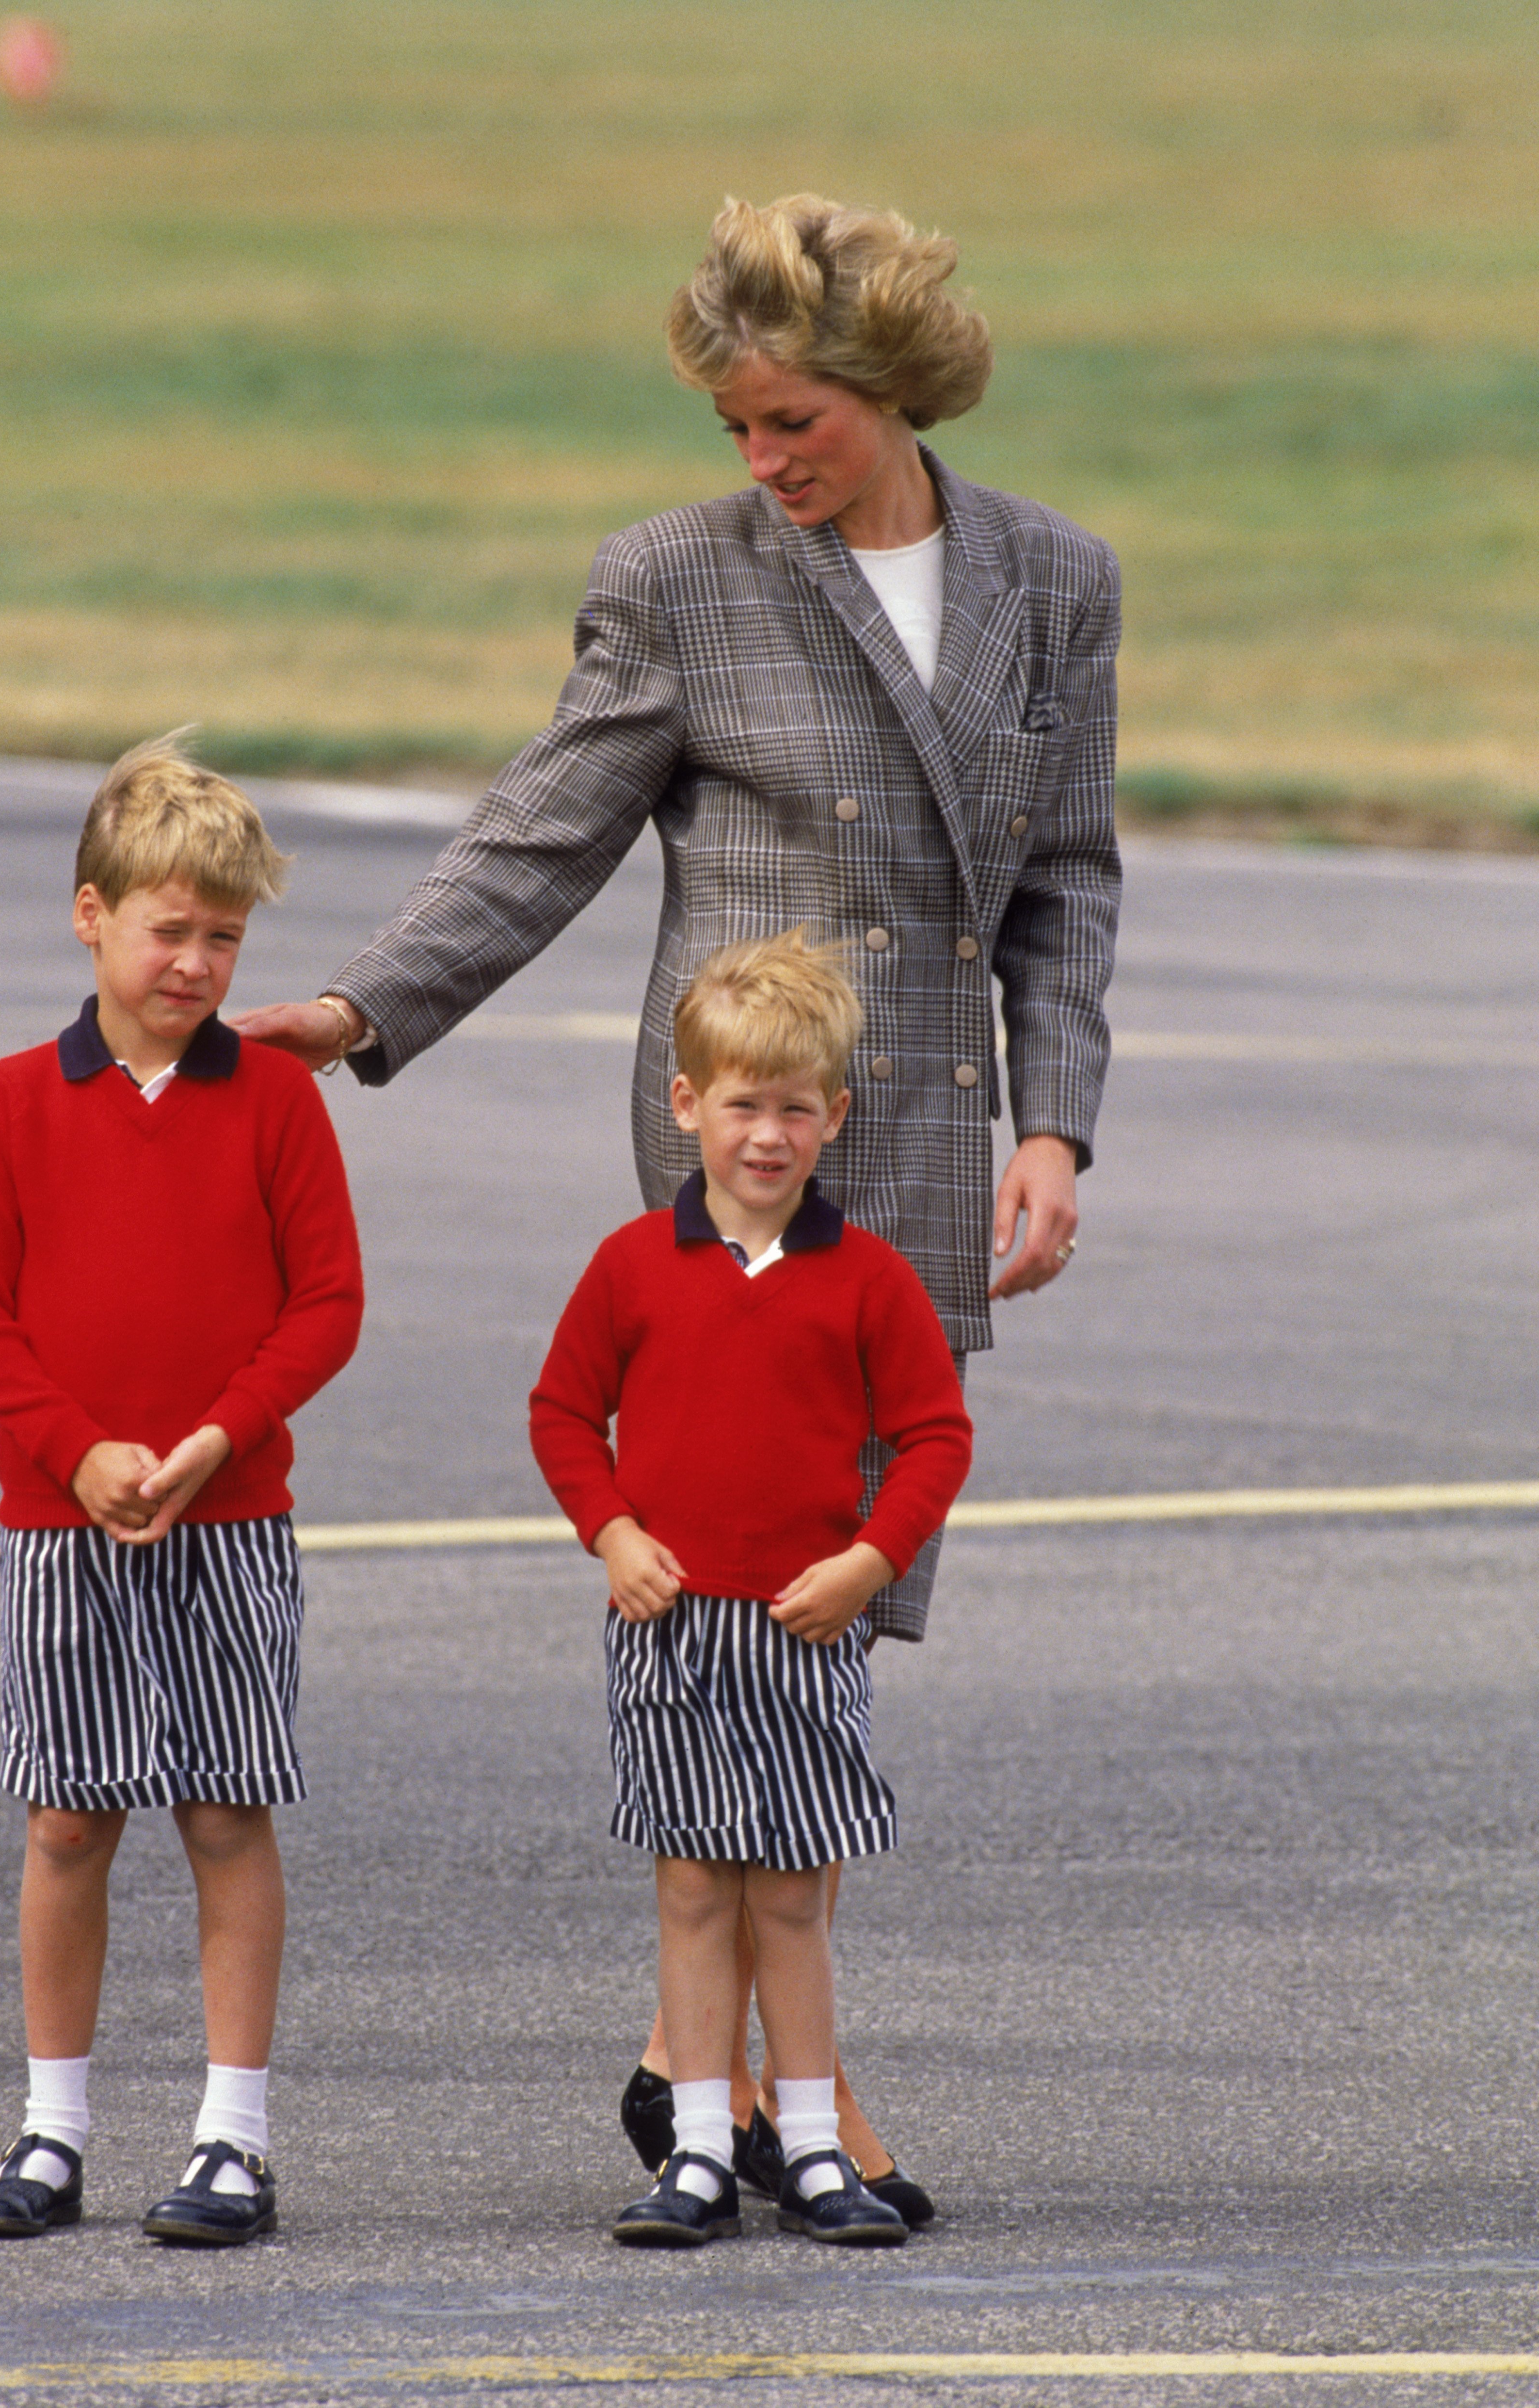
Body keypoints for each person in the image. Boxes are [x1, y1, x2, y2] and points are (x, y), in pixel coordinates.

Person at [235, 193, 1121, 2206]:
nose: (760, 463)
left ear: (892, 392)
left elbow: (1068, 877)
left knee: (835, 1616)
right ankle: (786, 2104)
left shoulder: (1057, 581)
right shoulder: (679, 581)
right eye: (733, 428)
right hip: (745, 1160)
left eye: (792, 423)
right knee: (744, 1619)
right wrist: (371, 1003)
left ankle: (688, 2070)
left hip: (918, 1143)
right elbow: (546, 825)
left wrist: (1054, 1126)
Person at [0, 740, 364, 2248]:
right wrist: (80, 1451)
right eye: (168, 930)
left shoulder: (278, 1106)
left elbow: (326, 1306)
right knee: (67, 1825)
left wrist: (217, 1437)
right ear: (91, 916)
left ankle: (231, 2141)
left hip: (231, 1521)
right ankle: (52, 2135)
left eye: (225, 939)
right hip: (63, 1526)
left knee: (228, 1812)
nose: (195, 963)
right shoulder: (8, 1106)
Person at [530, 935, 973, 2246]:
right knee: (690, 1888)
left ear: (834, 1117)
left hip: (802, 1628)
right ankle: (702, 2152)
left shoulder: (868, 1278)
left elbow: (937, 1435)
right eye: (742, 1104)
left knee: (790, 1891)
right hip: (668, 1628)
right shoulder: (630, 1265)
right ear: (687, 1106)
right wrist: (610, 1532)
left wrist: (870, 1562)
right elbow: (563, 1411)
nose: (768, 1136)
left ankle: (818, 2149)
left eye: (795, 1109)